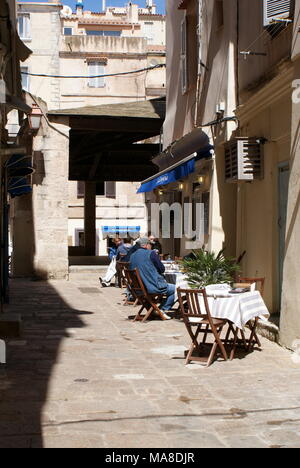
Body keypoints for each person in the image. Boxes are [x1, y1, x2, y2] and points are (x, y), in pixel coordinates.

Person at [129, 237, 176, 320]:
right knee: (175, 290)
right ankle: (162, 309)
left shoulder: (132, 255)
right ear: (146, 245)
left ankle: (154, 310)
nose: (151, 246)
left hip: (138, 289)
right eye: (150, 245)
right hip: (152, 286)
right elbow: (162, 269)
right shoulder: (151, 253)